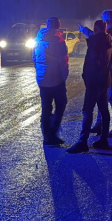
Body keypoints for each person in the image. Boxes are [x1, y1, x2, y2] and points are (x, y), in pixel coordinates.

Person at [68, 20, 112, 153]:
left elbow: (93, 63)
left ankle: (82, 142)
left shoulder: (96, 42)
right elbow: (94, 35)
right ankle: (104, 139)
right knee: (104, 111)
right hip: (104, 80)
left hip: (94, 82)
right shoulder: (108, 39)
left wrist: (87, 78)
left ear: (96, 28)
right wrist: (84, 30)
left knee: (87, 111)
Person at [83, 10, 112, 137]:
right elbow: (97, 36)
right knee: (102, 99)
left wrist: (110, 69)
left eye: (103, 19)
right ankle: (100, 125)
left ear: (107, 20)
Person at [32, 17, 69, 146]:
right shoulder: (59, 42)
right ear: (58, 26)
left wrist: (40, 72)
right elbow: (63, 63)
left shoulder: (37, 40)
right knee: (61, 104)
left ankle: (46, 136)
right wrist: (64, 78)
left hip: (42, 79)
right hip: (56, 79)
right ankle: (52, 133)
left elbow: (34, 58)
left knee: (46, 107)